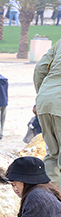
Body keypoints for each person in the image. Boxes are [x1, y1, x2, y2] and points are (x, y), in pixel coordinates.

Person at [35, 36, 61, 188]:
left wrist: (41, 96)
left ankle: (50, 199)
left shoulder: (59, 43)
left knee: (52, 154)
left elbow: (40, 69)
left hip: (45, 99)